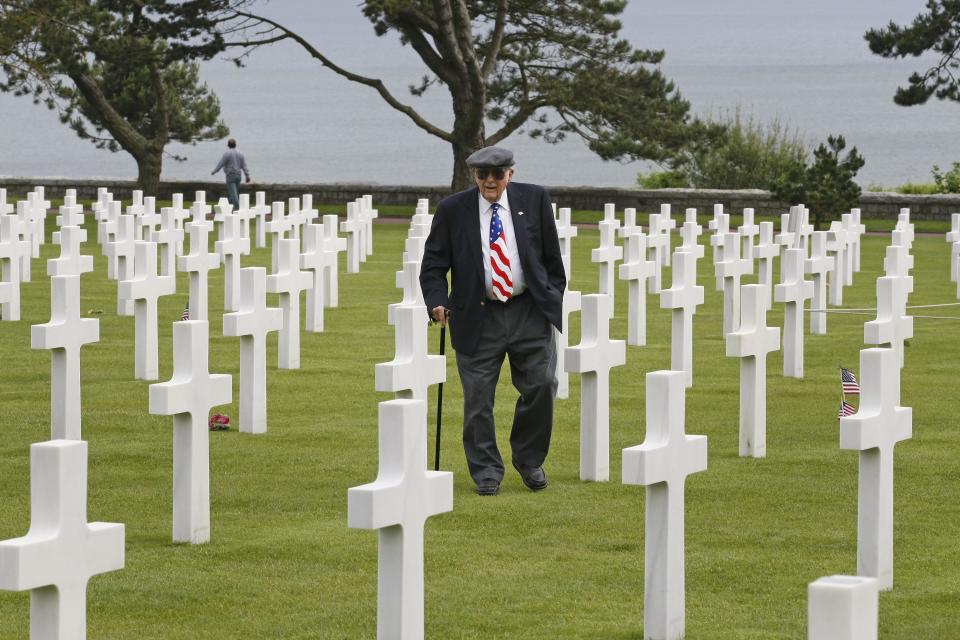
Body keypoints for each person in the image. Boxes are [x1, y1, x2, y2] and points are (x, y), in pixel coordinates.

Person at [419, 146, 566, 496]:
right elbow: (433, 264)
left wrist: (552, 296)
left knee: (542, 384)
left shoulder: (534, 199)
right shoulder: (453, 209)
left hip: (528, 310)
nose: (489, 181)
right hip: (477, 314)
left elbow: (551, 258)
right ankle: (486, 470)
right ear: (474, 176)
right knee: (478, 399)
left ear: (510, 174)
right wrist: (437, 301)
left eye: (496, 174)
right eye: (482, 174)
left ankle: (529, 459)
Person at [211, 138, 251, 208]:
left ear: (228, 145)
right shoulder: (240, 153)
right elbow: (244, 165)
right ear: (235, 145)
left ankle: (237, 209)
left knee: (233, 194)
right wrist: (247, 175)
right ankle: (229, 208)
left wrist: (215, 171)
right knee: (233, 193)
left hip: (230, 176)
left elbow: (221, 163)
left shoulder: (227, 153)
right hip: (238, 176)